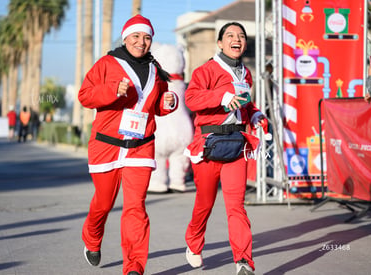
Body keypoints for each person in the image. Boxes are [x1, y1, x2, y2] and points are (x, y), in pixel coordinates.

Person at [78, 14, 178, 275]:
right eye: (136, 36)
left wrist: (169, 104)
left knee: (135, 207)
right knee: (103, 203)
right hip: (106, 145)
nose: (141, 42)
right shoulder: (107, 63)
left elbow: (158, 105)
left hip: (140, 146)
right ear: (125, 38)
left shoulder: (156, 70)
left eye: (147, 38)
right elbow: (85, 95)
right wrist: (113, 90)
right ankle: (91, 236)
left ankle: (134, 267)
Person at [183, 22, 268, 275]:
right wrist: (221, 98)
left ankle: (243, 261)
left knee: (236, 206)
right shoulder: (206, 70)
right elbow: (191, 99)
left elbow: (246, 105)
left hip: (236, 146)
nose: (237, 39)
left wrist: (255, 115)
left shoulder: (246, 73)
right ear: (220, 43)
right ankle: (194, 244)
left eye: (241, 35)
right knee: (205, 204)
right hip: (209, 146)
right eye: (230, 35)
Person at [147, 43, 194, 193]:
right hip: (182, 125)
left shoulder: (153, 82)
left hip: (159, 126)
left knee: (156, 155)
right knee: (179, 155)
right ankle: (178, 181)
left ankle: (157, 182)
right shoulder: (182, 84)